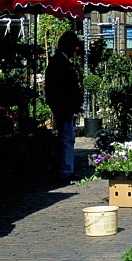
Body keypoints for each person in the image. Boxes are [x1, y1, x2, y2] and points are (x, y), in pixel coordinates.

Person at [44, 31, 83, 185]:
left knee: (66, 138)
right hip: (63, 106)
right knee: (67, 139)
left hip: (63, 106)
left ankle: (66, 170)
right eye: (74, 48)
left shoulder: (59, 61)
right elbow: (60, 88)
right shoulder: (60, 62)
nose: (75, 51)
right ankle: (65, 172)